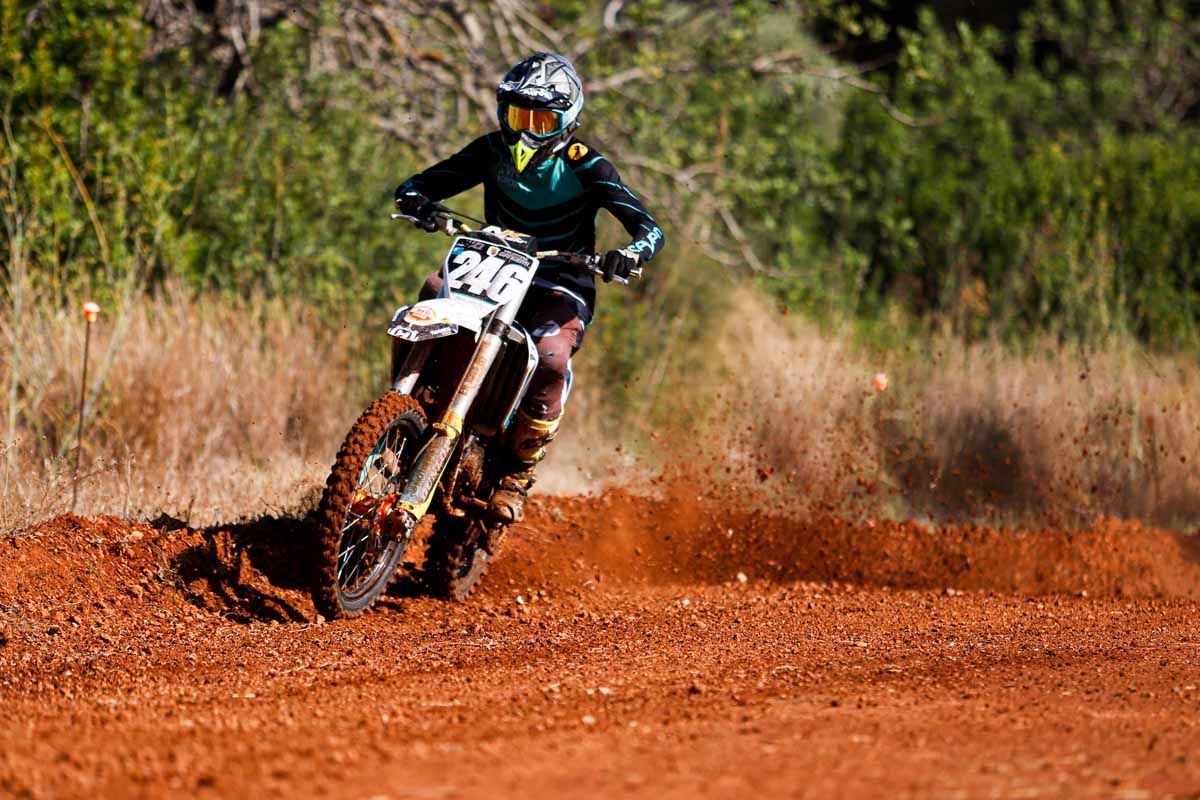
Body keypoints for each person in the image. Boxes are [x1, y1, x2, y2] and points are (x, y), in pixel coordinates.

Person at [394, 52, 665, 524]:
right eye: (518, 115)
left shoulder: (588, 167)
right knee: (430, 290)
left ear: (568, 121)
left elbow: (650, 229)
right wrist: (418, 201)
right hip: (492, 260)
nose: (526, 131)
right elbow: (420, 183)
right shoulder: (491, 150)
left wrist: (630, 253)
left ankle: (517, 474)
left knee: (552, 355)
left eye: (542, 120)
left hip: (562, 277)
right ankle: (404, 408)